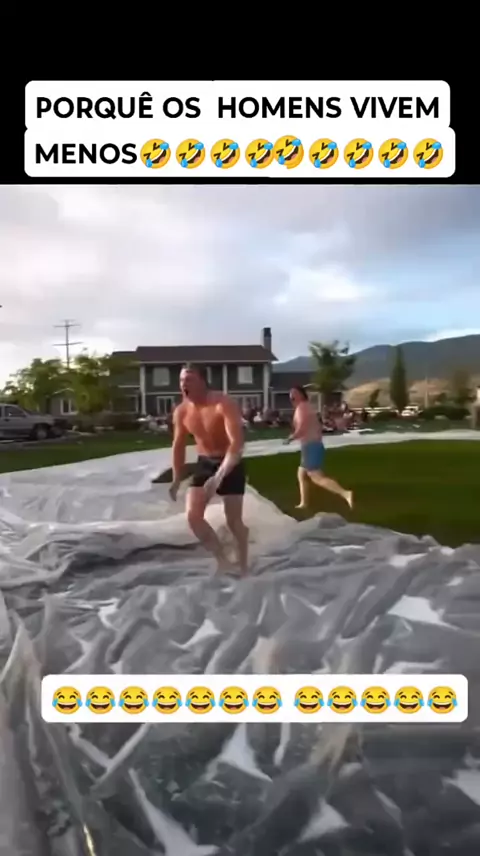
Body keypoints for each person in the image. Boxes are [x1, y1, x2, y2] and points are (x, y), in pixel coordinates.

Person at [168, 364, 249, 574]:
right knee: (193, 516)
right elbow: (178, 445)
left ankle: (244, 565)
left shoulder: (223, 403)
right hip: (205, 462)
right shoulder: (182, 411)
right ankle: (223, 561)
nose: (184, 384)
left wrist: (220, 475)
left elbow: (237, 443)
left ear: (203, 381)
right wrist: (176, 478)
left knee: (234, 521)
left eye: (189, 380)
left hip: (230, 461)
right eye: (181, 380)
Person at [284, 386, 353, 510]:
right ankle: (304, 503)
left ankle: (345, 493)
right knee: (301, 474)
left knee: (316, 477)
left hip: (311, 446)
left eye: (294, 393)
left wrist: (290, 438)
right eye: (290, 393)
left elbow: (302, 428)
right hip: (312, 445)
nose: (291, 395)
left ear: (301, 395)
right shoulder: (305, 407)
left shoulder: (302, 408)